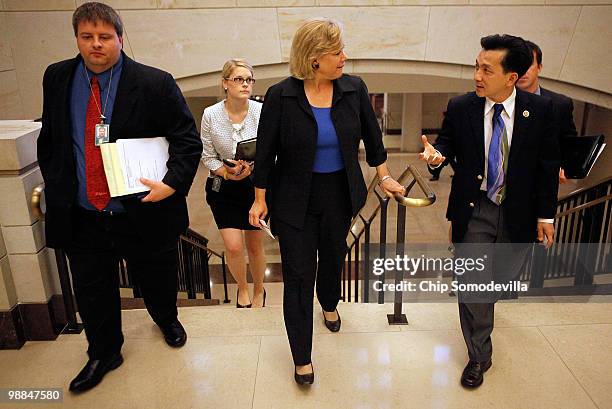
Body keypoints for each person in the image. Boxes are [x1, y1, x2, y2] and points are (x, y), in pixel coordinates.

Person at [37, 2, 202, 392]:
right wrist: (57, 180)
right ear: (76, 38)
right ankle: (104, 351)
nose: (96, 45)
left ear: (120, 38)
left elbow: (186, 139)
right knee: (93, 289)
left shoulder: (154, 82)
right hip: (83, 212)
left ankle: (166, 318)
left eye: (104, 37)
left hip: (141, 210)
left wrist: (171, 183)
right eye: (87, 37)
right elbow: (52, 138)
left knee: (158, 276)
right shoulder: (57, 77)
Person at [249, 18, 404, 385]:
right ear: (314, 58)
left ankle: (330, 302)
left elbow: (373, 137)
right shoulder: (281, 95)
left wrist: (383, 176)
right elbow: (266, 150)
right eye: (337, 52)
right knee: (299, 276)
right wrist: (259, 199)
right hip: (293, 199)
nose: (344, 58)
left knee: (332, 258)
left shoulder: (353, 89)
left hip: (340, 194)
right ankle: (302, 356)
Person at [419, 34, 559, 389]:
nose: (477, 76)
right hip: (475, 207)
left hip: (520, 212)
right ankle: (479, 355)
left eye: (486, 69)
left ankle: (484, 309)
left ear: (511, 77)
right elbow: (447, 143)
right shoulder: (461, 106)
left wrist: (546, 216)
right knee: (473, 285)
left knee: (499, 281)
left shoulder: (541, 111)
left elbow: (547, 165)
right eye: (476, 67)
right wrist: (437, 156)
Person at [201, 59, 267, 308]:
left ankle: (260, 288)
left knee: (254, 244)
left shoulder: (262, 111)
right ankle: (242, 287)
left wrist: (251, 168)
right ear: (225, 83)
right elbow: (207, 155)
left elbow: (271, 151)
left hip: (254, 187)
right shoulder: (211, 114)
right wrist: (228, 173)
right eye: (239, 79)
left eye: (249, 79)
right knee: (233, 246)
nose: (245, 84)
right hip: (224, 187)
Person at [517, 40, 578, 183]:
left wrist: (565, 167)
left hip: (541, 188)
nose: (522, 71)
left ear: (539, 67)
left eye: (528, 64)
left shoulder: (560, 104)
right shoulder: (499, 101)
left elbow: (569, 143)